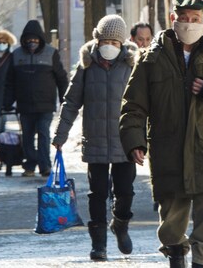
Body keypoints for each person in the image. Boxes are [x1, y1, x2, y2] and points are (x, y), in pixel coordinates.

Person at [120, 0, 203, 268]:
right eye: (184, 19)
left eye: (196, 19)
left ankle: (201, 263)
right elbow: (133, 105)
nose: (189, 24)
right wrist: (134, 140)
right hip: (167, 149)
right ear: (173, 19)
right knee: (172, 218)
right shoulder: (150, 60)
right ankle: (176, 255)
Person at [53, 15, 137, 261]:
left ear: (122, 43)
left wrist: (143, 139)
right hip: (96, 141)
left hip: (125, 143)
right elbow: (71, 103)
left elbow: (143, 104)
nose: (109, 45)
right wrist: (60, 134)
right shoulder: (86, 66)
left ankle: (120, 224)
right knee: (97, 193)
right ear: (96, 39)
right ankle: (98, 244)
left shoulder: (132, 65)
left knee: (125, 193)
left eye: (114, 40)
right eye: (105, 40)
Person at [3, 20, 69, 177]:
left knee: (44, 134)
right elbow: (10, 81)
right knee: (27, 137)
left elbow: (61, 78)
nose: (32, 42)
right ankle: (31, 164)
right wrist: (7, 102)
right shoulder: (16, 55)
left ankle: (45, 166)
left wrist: (64, 98)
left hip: (45, 105)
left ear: (40, 39)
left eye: (35, 39)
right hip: (25, 105)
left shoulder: (51, 53)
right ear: (24, 40)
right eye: (29, 39)